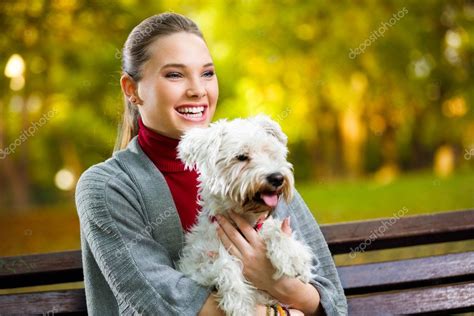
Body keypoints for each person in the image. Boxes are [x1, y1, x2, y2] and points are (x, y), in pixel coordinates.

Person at [75, 12, 347, 316]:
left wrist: (281, 286)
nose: (198, 90)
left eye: (207, 73)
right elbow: (160, 302)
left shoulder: (255, 167)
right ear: (132, 89)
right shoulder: (107, 186)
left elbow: (330, 299)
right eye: (175, 75)